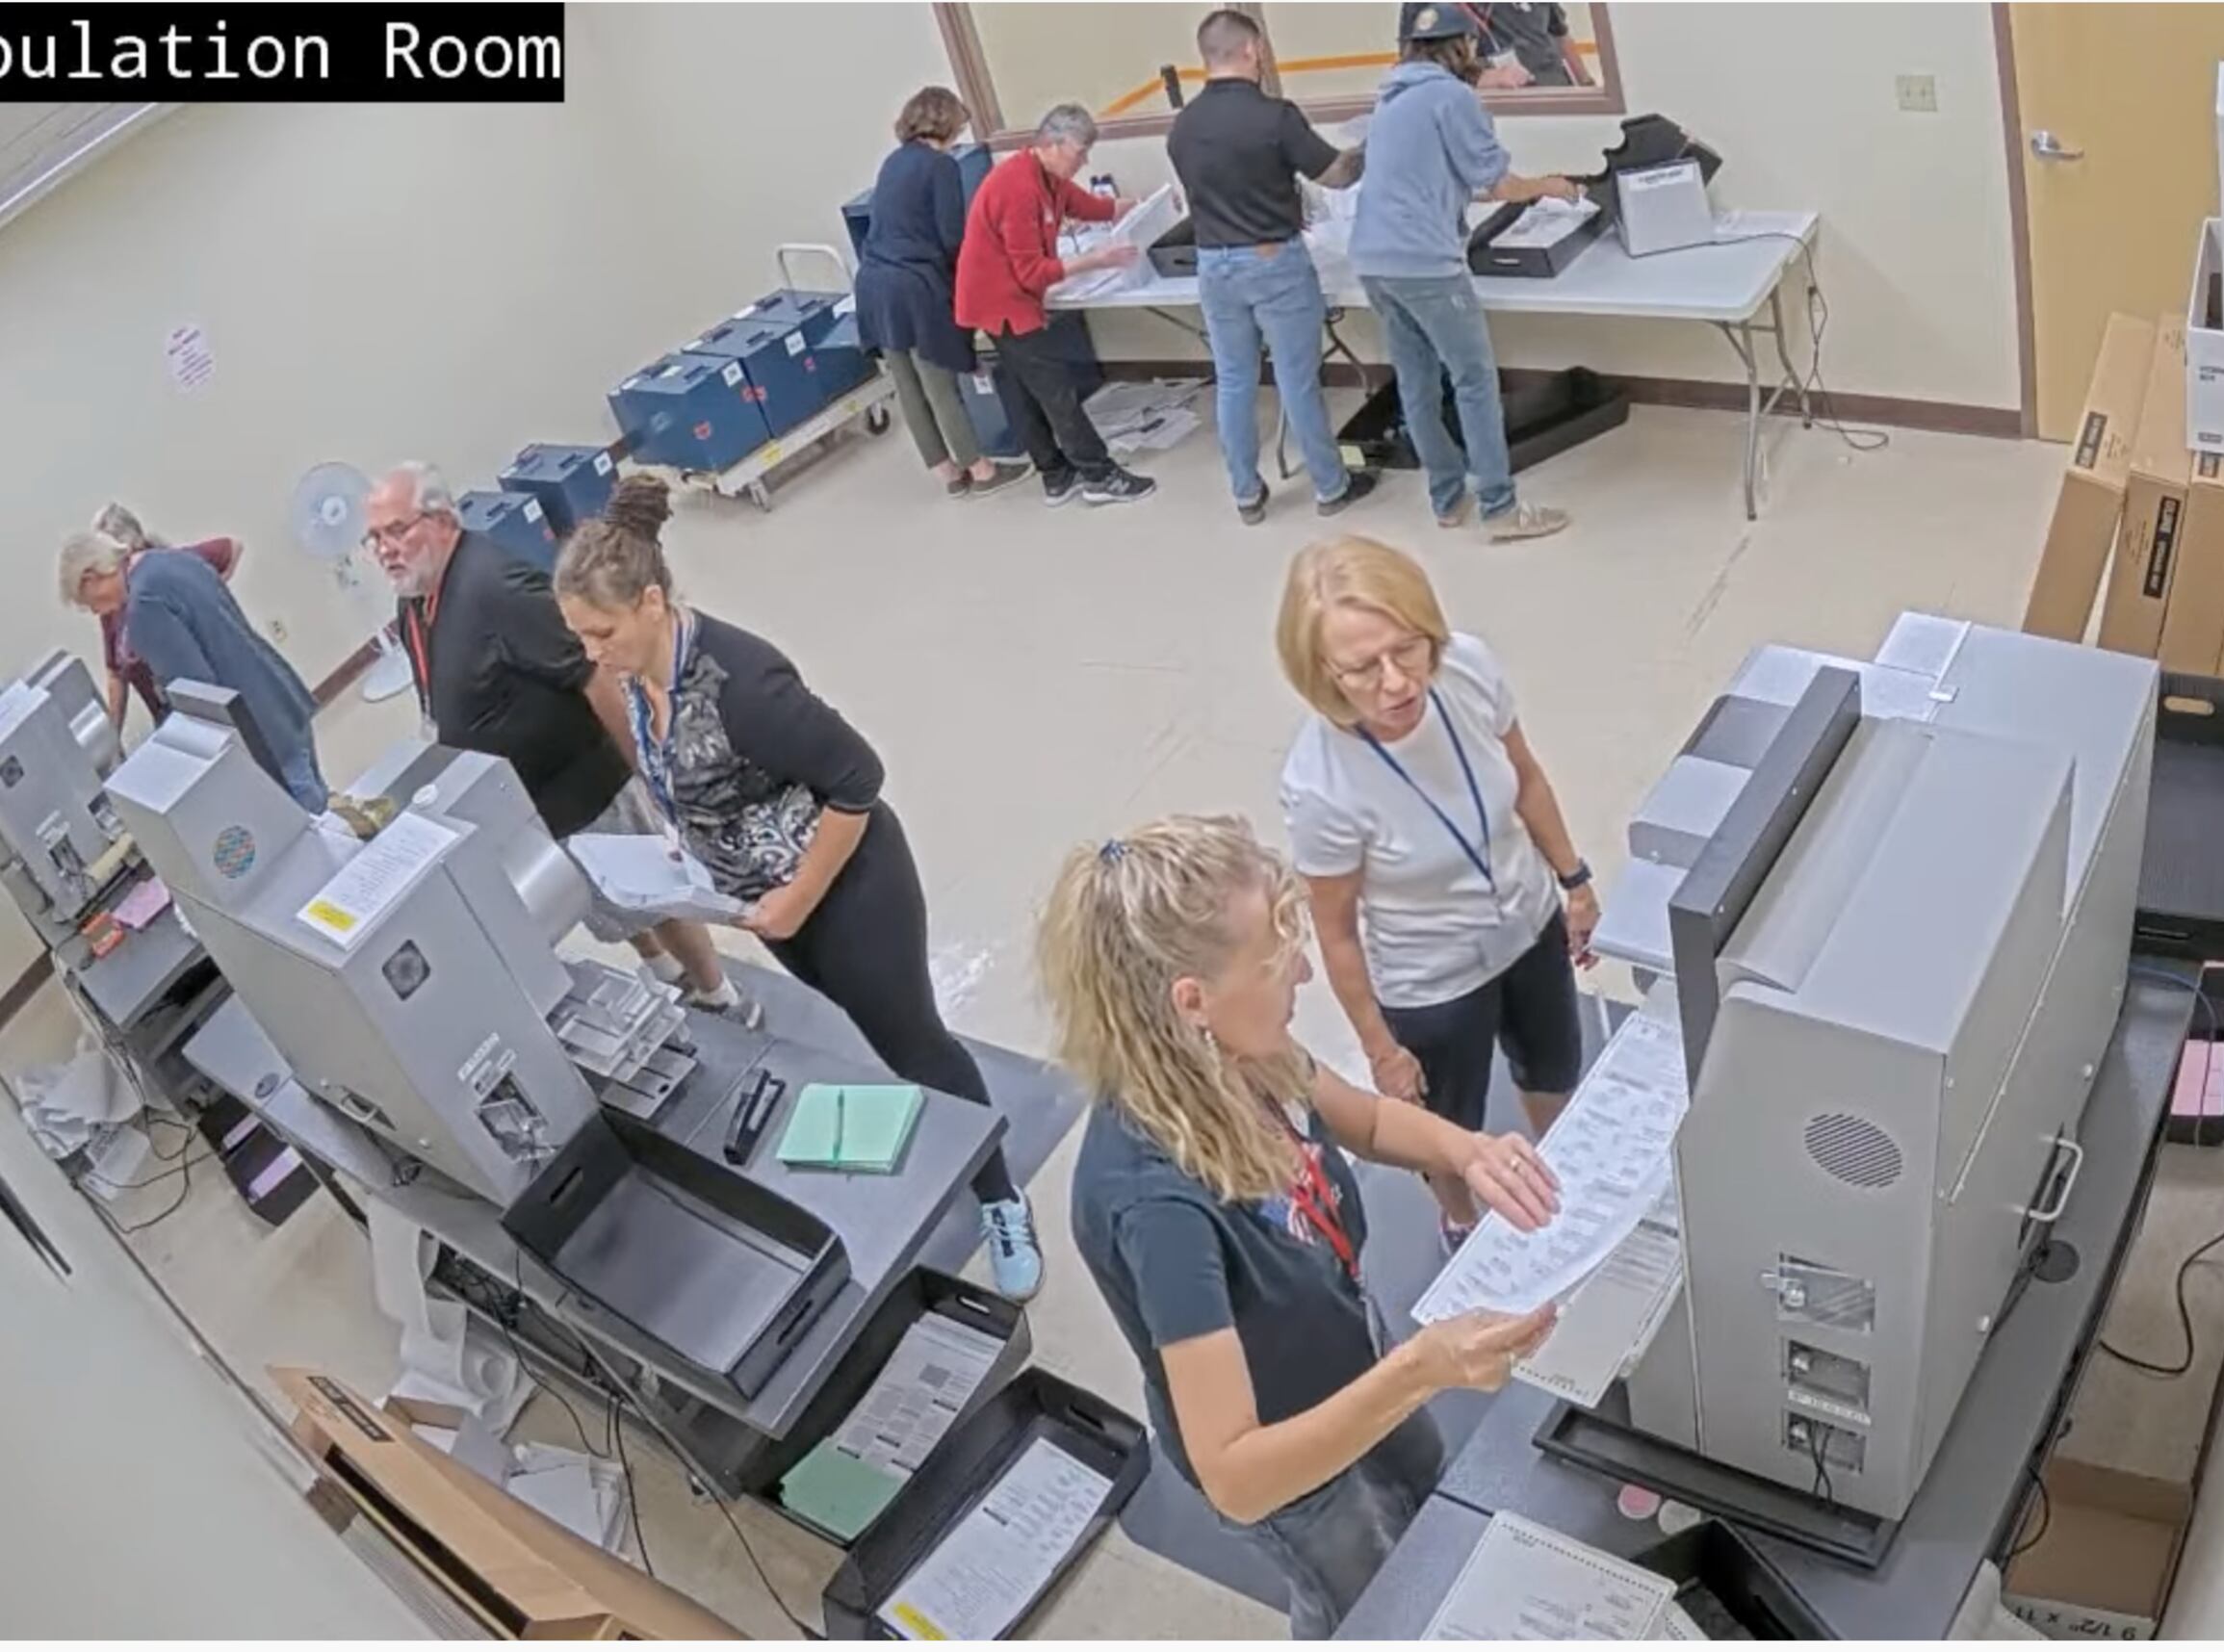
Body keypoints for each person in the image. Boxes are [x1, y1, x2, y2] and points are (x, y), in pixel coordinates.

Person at [1039, 813, 1561, 1638]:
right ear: (1192, 1002)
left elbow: (1371, 1125)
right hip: (1288, 1464)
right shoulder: (1157, 1204)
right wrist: (1421, 1372)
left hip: (1353, 1361)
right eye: (1279, 962)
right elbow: (1238, 1475)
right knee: (1363, 1593)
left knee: (1431, 1507)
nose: (1307, 974)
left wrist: (1469, 1150)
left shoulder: (1245, 1057)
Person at [553, 476, 1046, 1301]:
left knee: (914, 1040)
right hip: (774, 905)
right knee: (876, 1032)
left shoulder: (744, 683)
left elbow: (859, 781)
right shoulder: (642, 674)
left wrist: (796, 898)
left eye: (600, 632)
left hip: (850, 894)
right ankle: (958, 1138)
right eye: (579, 637)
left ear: (650, 601)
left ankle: (1000, 1196)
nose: (591, 654)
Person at [1276, 537, 1597, 1250]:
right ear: (1322, 674)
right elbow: (1336, 932)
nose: (1396, 683)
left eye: (1408, 650)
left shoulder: (1470, 671)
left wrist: (1573, 880)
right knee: (1447, 1124)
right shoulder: (1323, 786)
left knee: (1553, 1066)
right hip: (1433, 982)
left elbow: (1528, 778)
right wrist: (1381, 1047)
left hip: (1527, 922)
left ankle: (1565, 1174)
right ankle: (1460, 1219)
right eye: (1362, 668)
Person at [364, 464, 754, 1027]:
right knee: (607, 904)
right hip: (536, 806)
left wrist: (646, 769)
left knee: (654, 895)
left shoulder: (496, 587)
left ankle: (720, 995)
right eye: (374, 538)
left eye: (397, 530)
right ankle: (668, 978)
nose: (384, 550)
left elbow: (593, 672)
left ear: (443, 520)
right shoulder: (416, 601)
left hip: (589, 784)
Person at [1352, 4, 1579, 544]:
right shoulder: (1452, 97)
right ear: (1464, 47)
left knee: (1418, 381)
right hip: (1424, 263)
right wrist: (1550, 185)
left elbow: (1449, 176)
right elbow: (1497, 184)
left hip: (1374, 262)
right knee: (1474, 380)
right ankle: (1500, 508)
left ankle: (1447, 498)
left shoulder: (1390, 98)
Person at [1168, 11, 1378, 527]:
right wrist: (1373, 143)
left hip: (1214, 266)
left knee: (1235, 379)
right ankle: (1331, 486)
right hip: (1273, 262)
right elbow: (1334, 176)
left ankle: (1245, 494)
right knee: (1296, 380)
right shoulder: (1274, 116)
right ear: (1253, 50)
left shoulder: (1183, 127)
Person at [954, 103, 1157, 508]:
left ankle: (1055, 474)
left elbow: (1093, 208)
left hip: (1007, 297)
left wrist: (1145, 206)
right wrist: (1098, 260)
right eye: (1079, 151)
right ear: (1052, 143)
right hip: (1002, 302)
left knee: (1029, 390)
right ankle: (1099, 475)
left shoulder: (1049, 178)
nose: (1084, 161)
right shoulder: (1018, 188)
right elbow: (1031, 272)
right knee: (1055, 391)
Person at [60, 528, 324, 811]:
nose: (97, 612)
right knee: (324, 812)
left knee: (307, 832)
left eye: (88, 603)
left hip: (259, 736)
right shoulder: (169, 560)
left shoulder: (143, 607)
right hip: (279, 697)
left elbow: (198, 696)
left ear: (91, 577)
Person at [858, 87, 1033, 503]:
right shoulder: (940, 166)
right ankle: (983, 469)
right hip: (912, 286)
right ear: (949, 122)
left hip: (873, 283)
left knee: (908, 385)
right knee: (939, 383)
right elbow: (954, 237)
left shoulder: (893, 161)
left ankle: (949, 474)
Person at [87, 503, 246, 734]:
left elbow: (232, 547)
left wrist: (206, 600)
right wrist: (113, 735)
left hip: (214, 698)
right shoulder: (112, 606)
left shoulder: (167, 570)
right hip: (169, 714)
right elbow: (115, 672)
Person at [1395, 1, 1592, 87]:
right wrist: (1477, 79)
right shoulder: (1422, 5)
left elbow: (1560, 35)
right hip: (1496, 113)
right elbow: (1414, 66)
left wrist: (1586, 83)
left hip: (1559, 96)